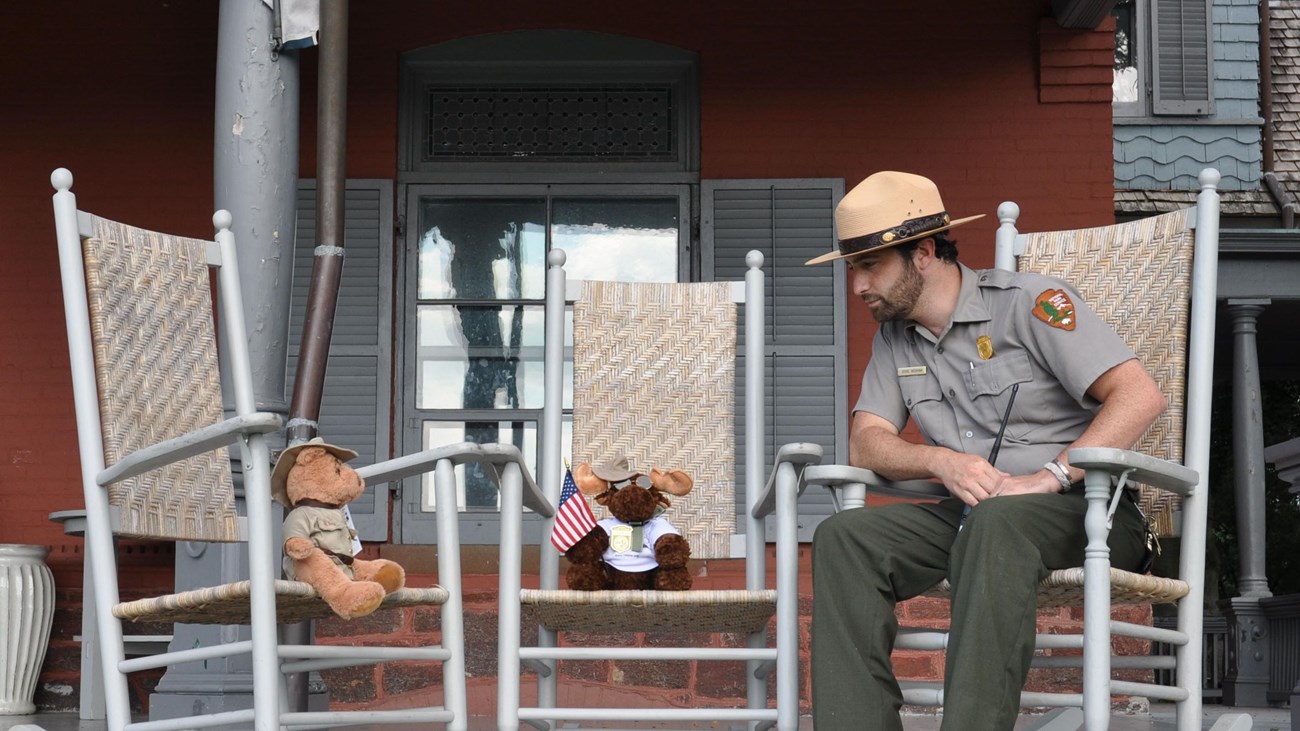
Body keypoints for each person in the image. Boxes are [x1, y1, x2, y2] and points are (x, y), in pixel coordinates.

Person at [805, 171, 1167, 731]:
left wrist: (1050, 475)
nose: (857, 285)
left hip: (1089, 512)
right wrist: (939, 461)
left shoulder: (1030, 303)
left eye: (869, 265)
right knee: (844, 537)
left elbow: (1140, 396)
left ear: (922, 253)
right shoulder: (893, 338)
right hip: (973, 518)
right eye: (853, 268)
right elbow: (867, 440)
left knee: (998, 521)